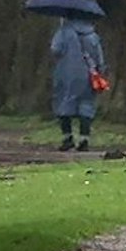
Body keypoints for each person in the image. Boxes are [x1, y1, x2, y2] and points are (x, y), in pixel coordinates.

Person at [50, 16, 106, 152]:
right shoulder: (92, 35)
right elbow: (99, 57)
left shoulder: (64, 32)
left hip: (66, 74)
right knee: (86, 105)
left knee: (64, 103)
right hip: (88, 75)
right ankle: (84, 139)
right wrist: (99, 71)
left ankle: (67, 138)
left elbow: (55, 49)